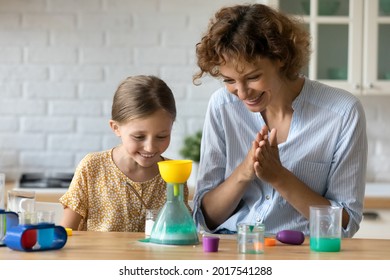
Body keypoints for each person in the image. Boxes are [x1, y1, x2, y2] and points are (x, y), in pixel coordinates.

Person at [192, 3, 367, 238]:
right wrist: (245, 172)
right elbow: (206, 219)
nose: (242, 93)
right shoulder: (222, 106)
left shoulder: (343, 113)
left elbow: (344, 225)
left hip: (304, 254)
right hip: (231, 251)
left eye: (253, 77)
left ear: (281, 58)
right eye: (229, 80)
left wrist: (278, 176)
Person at [60, 75, 191, 231]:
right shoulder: (92, 167)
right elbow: (65, 234)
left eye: (162, 136)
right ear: (116, 128)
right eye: (139, 137)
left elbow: (180, 235)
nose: (150, 147)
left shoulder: (174, 175)